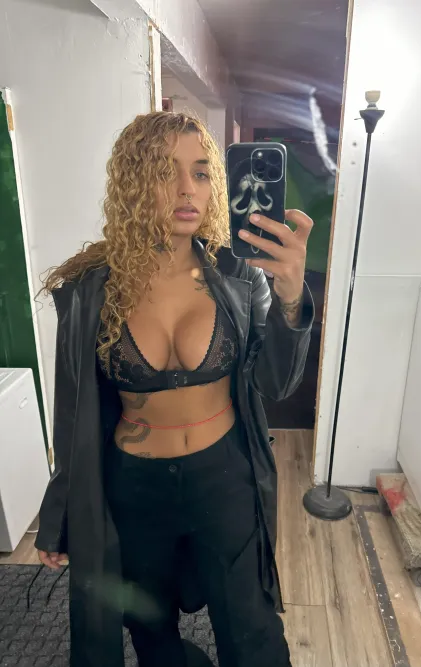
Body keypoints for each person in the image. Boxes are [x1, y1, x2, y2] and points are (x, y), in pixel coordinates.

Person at [35, 112, 314, 667]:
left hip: (224, 475)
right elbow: (73, 412)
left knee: (252, 629)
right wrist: (58, 513)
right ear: (134, 183)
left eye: (202, 172)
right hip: (133, 485)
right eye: (167, 171)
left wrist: (290, 296)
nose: (189, 188)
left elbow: (276, 382)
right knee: (149, 624)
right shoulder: (90, 290)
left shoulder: (239, 275)